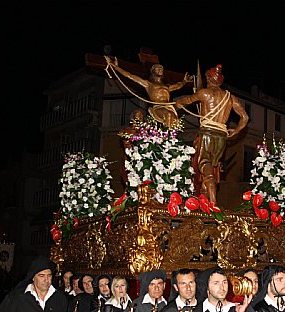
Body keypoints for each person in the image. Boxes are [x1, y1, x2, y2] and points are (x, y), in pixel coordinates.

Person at [175, 64, 249, 205]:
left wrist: (178, 102)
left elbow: (188, 100)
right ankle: (205, 200)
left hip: (207, 133)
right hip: (222, 137)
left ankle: (213, 202)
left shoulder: (205, 93)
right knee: (212, 168)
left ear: (208, 78)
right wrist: (236, 130)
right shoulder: (230, 97)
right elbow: (244, 118)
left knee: (204, 165)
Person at [107, 58, 192, 128]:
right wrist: (116, 67)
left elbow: (178, 85)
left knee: (175, 121)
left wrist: (184, 81)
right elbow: (130, 76)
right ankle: (169, 139)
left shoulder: (167, 86)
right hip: (158, 107)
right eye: (158, 69)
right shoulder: (148, 84)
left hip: (168, 106)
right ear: (153, 71)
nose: (160, 70)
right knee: (168, 115)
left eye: (161, 69)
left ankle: (170, 139)